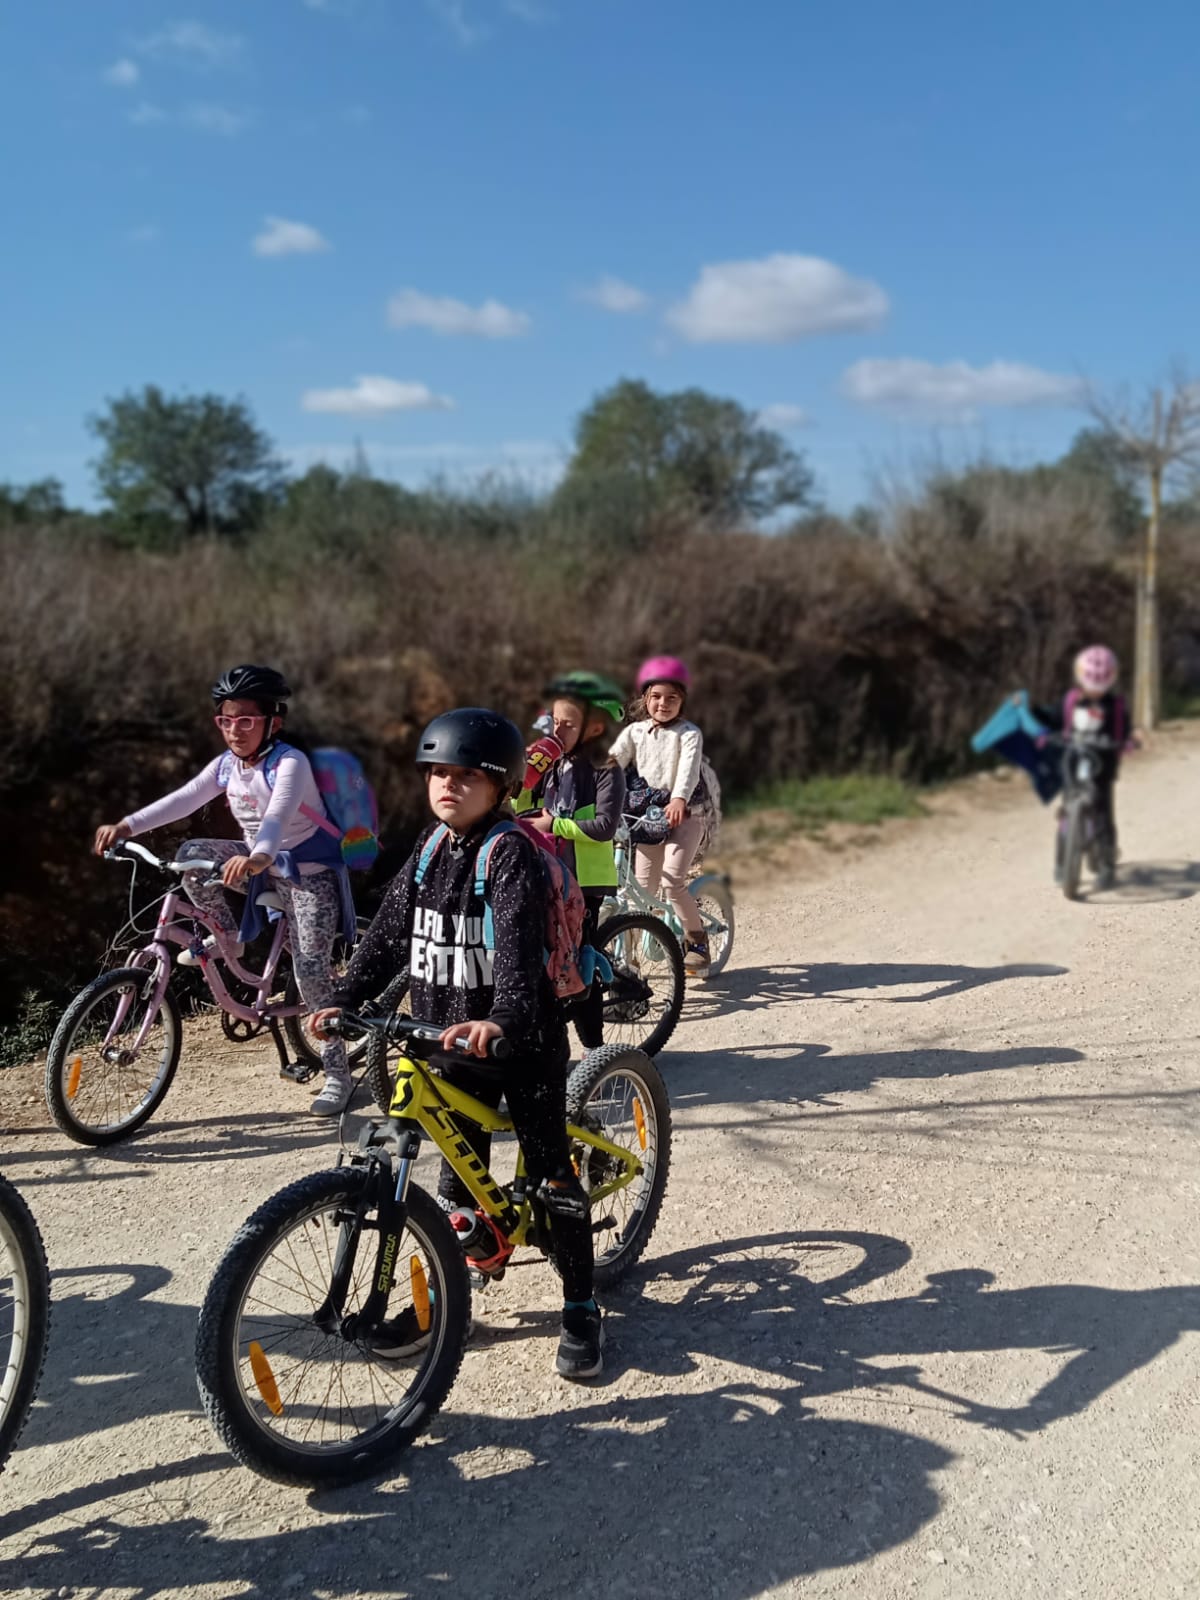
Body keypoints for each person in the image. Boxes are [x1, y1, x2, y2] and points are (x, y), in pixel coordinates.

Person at [315, 707, 604, 1381]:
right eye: (438, 772)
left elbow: (517, 943)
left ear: (501, 785)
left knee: (550, 1172)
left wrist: (501, 1018)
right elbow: (387, 936)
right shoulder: (426, 850)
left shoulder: (509, 854)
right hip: (441, 1040)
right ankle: (453, 1300)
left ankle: (582, 1305)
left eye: (467, 776)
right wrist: (344, 998)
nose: (448, 785)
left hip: (519, 1044)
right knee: (455, 1184)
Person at [92, 665, 357, 1116]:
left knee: (310, 971)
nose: (235, 730)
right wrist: (127, 825)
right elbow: (185, 797)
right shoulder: (227, 766)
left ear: (275, 721)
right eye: (226, 720)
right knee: (193, 853)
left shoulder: (289, 762)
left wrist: (259, 856)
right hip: (256, 859)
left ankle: (338, 1074)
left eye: (247, 720)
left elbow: (276, 817)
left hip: (306, 869)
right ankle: (229, 935)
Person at [517, 671, 627, 1050]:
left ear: (594, 728)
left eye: (569, 724)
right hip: (549, 874)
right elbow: (524, 808)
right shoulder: (554, 764)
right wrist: (523, 780)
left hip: (586, 879)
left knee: (582, 964)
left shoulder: (606, 770)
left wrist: (557, 824)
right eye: (555, 721)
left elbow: (604, 826)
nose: (557, 730)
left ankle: (597, 1054)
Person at [609, 655, 710, 975]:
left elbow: (689, 770)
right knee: (639, 890)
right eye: (655, 697)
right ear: (644, 699)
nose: (663, 704)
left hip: (686, 816)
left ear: (682, 701)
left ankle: (697, 942)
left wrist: (679, 798)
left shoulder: (688, 734)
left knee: (672, 881)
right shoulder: (635, 733)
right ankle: (630, 958)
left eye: (672, 698)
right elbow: (611, 763)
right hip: (648, 819)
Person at [1035, 645, 1135, 888]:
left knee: (1103, 813)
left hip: (1102, 766)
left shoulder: (1116, 706)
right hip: (1073, 761)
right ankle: (1062, 862)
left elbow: (1125, 729)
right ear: (1081, 678)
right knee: (1067, 811)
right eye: (1091, 682)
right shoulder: (1070, 701)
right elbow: (1054, 720)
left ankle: (1106, 864)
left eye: (1100, 684)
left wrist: (1128, 741)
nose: (1095, 690)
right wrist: (1040, 723)